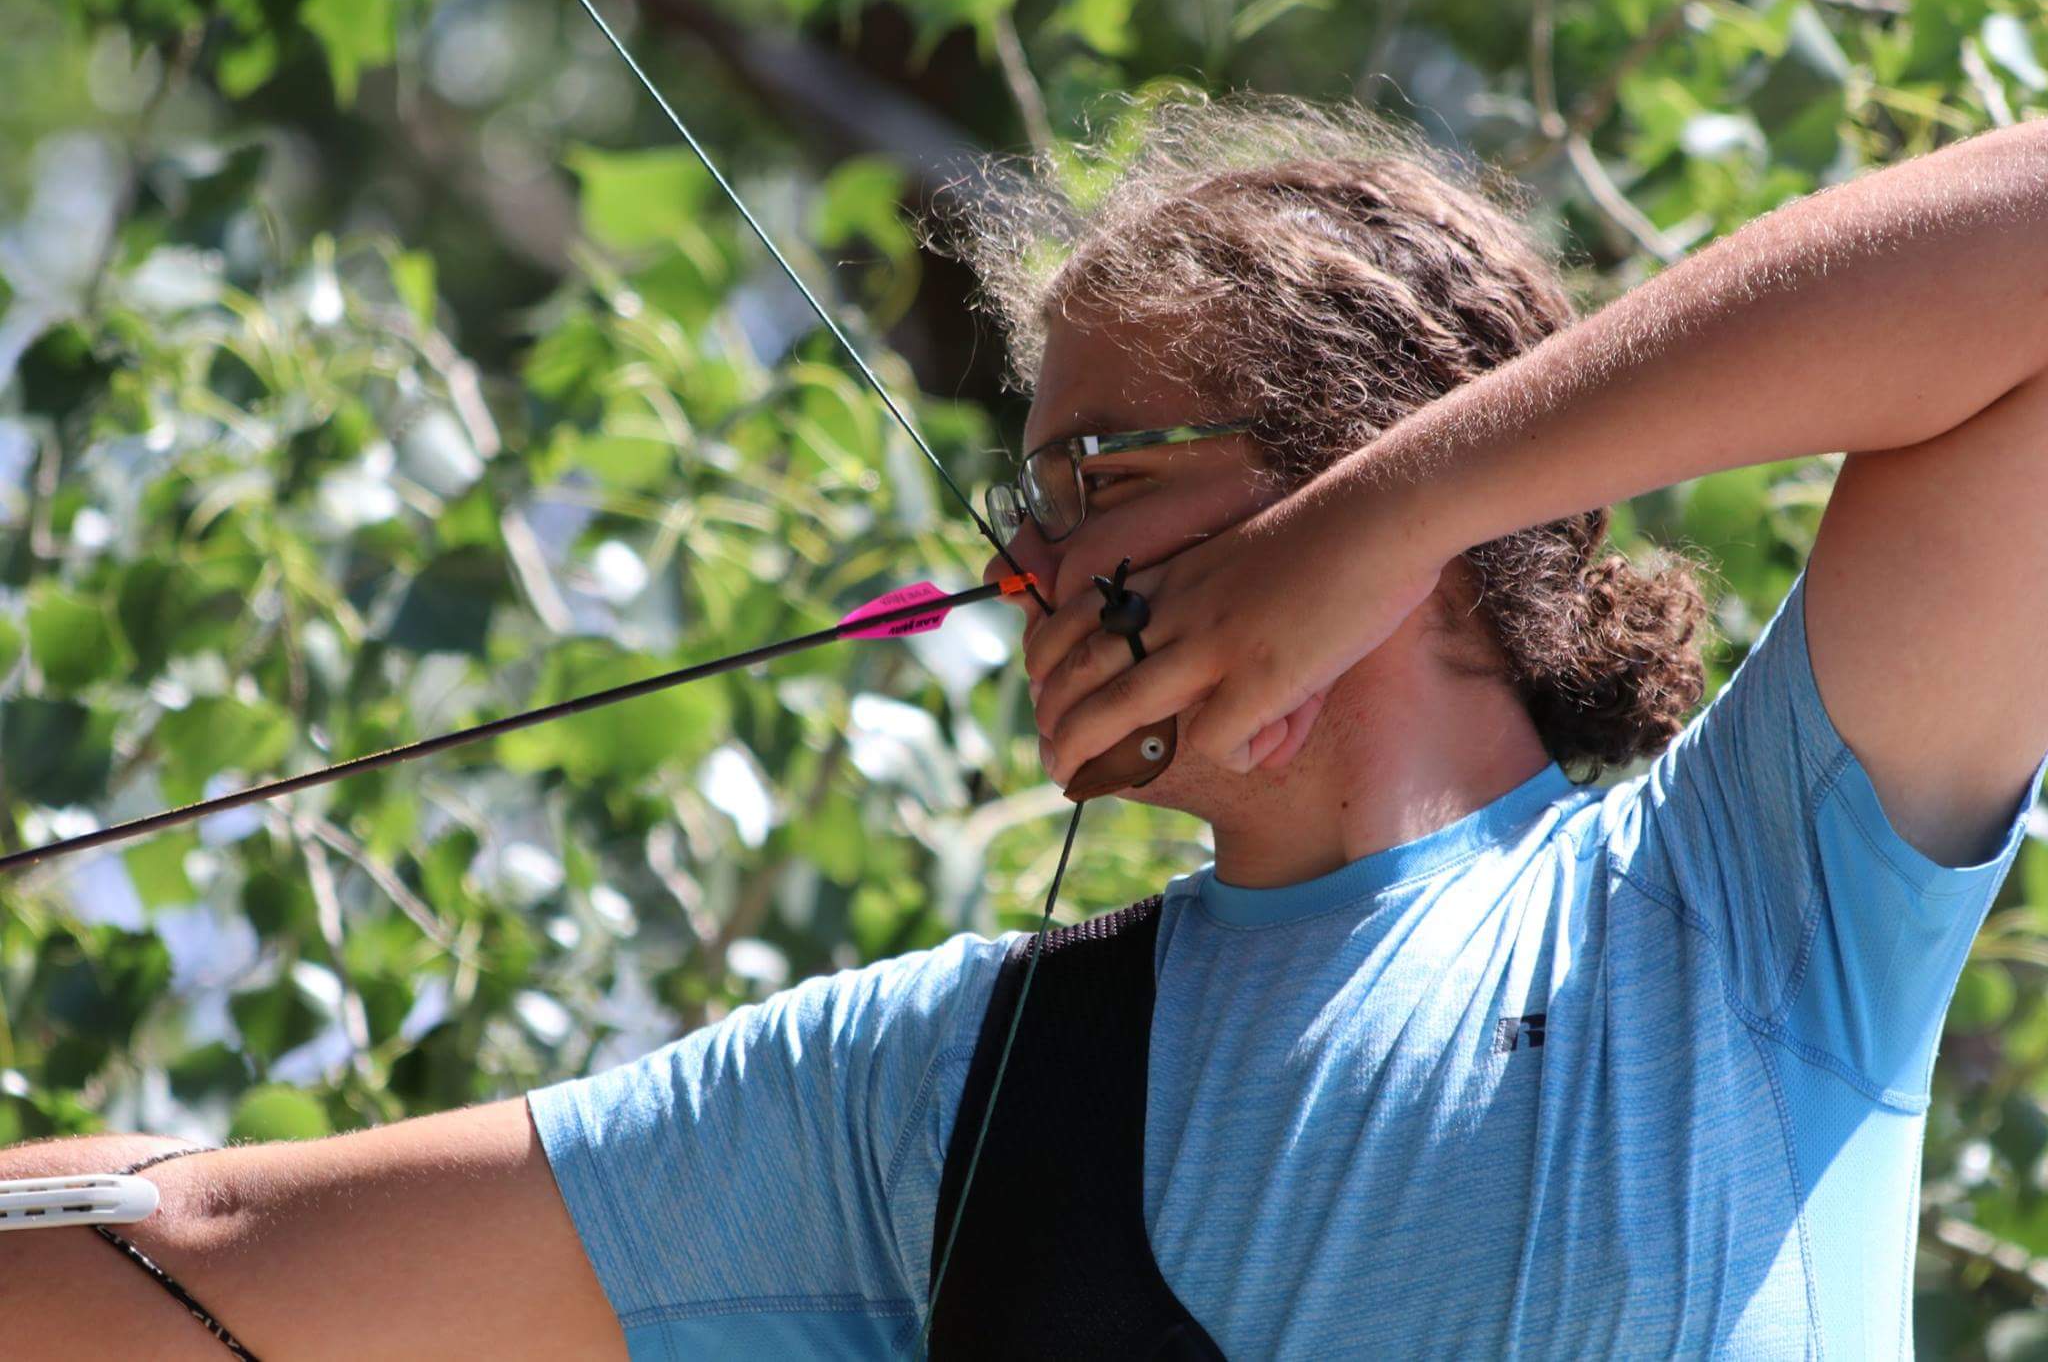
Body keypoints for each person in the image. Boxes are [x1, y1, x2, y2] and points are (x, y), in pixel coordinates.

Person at [4, 93, 2046, 1359]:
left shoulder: (1740, 895)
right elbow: (205, 1244)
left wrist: (1417, 499)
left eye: (1096, 476)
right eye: (1028, 499)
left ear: (1350, 461)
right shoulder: (942, 1092)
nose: (1030, 571)